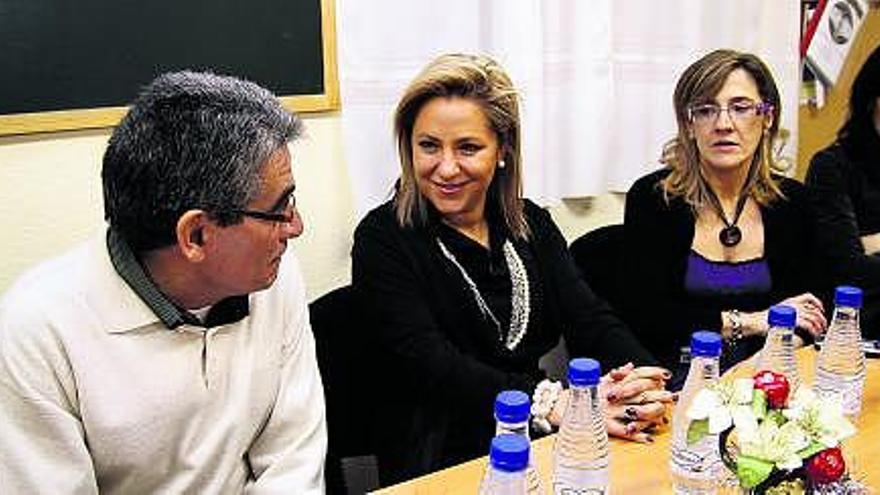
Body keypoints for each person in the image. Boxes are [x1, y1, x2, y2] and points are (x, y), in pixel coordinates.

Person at [351, 53, 673, 485]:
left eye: (468, 147)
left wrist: (643, 383)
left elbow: (590, 318)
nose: (446, 168)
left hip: (540, 440)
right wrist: (549, 403)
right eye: (429, 146)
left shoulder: (532, 223)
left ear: (502, 150)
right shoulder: (382, 238)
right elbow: (430, 363)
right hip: (438, 452)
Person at [0, 71, 326, 493]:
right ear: (195, 235)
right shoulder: (36, 333)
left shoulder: (274, 276)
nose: (296, 227)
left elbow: (293, 459)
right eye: (280, 210)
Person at [622, 49, 827, 388]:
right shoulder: (653, 198)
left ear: (768, 118)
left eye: (741, 107)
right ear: (689, 125)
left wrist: (773, 356)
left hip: (770, 374)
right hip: (677, 378)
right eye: (705, 110)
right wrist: (755, 321)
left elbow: (813, 312)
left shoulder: (794, 202)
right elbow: (647, 317)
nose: (723, 124)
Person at [806, 46, 880, 338]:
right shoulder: (833, 167)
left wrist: (872, 241)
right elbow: (849, 271)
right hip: (855, 337)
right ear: (873, 98)